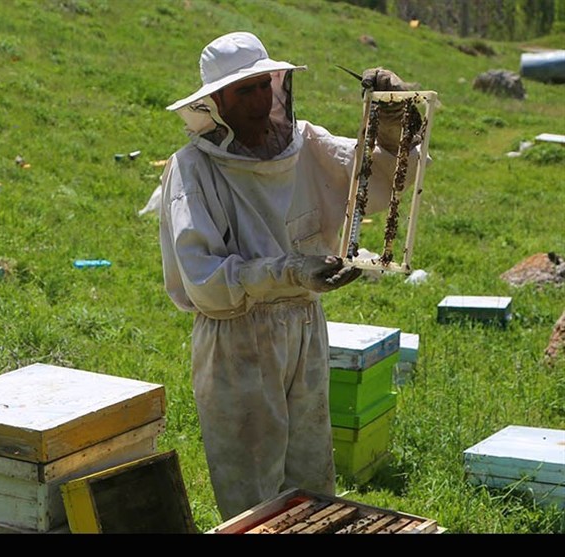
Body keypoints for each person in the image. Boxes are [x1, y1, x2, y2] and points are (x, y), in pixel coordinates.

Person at [158, 31, 421, 520]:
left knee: (311, 480)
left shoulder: (308, 144)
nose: (261, 100)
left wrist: (391, 127)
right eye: (244, 91)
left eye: (266, 85)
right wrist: (291, 271)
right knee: (253, 495)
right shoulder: (192, 170)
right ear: (215, 103)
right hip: (237, 337)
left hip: (304, 325)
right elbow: (206, 282)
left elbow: (380, 185)